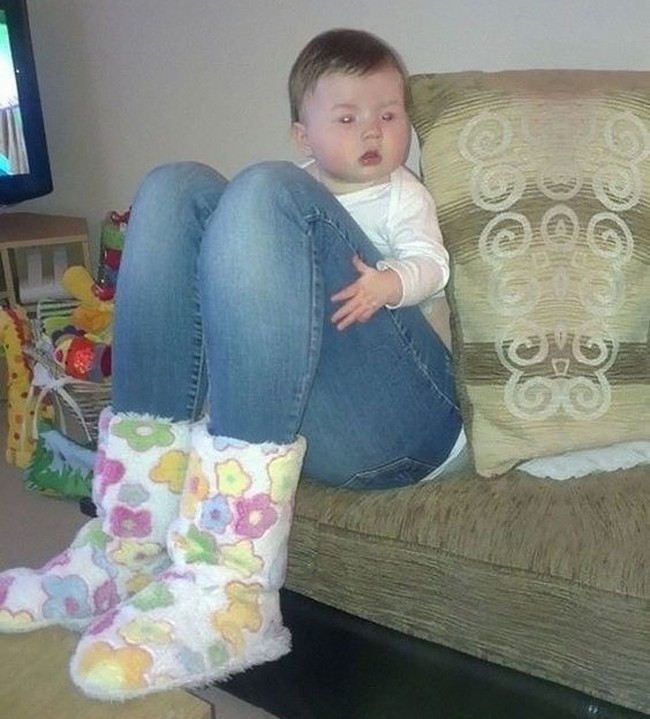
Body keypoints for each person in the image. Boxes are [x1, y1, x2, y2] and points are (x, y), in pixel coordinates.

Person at [0, 28, 463, 700]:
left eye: (390, 115)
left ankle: (231, 591)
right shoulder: (301, 185)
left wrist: (391, 282)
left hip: (412, 421)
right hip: (317, 407)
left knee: (264, 189)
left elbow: (431, 265)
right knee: (174, 186)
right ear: (304, 133)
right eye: (347, 117)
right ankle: (129, 545)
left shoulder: (398, 194)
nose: (374, 130)